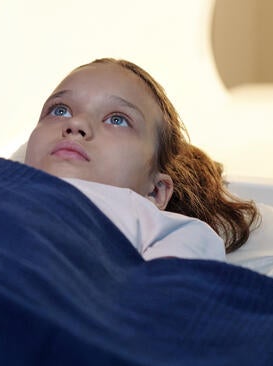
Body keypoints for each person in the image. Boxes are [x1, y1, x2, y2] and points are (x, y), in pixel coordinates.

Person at [23, 58, 257, 261]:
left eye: (117, 119)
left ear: (155, 192)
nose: (75, 124)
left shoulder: (171, 232)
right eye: (60, 110)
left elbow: (170, 300)